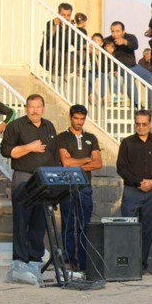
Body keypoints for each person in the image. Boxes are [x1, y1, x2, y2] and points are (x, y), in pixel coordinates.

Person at [0, 94, 59, 284]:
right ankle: (19, 263)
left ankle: (35, 261)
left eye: (38, 107)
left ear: (43, 108)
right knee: (21, 220)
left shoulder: (49, 126)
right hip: (24, 178)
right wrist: (29, 147)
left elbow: (54, 154)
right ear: (26, 108)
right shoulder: (16, 126)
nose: (35, 110)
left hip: (44, 180)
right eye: (31, 107)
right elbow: (6, 151)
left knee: (39, 222)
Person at [116, 110, 152, 274]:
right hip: (133, 191)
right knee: (128, 228)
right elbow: (121, 168)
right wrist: (139, 182)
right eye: (137, 124)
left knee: (147, 229)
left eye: (144, 124)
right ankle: (127, 265)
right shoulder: (127, 143)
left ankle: (141, 265)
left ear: (150, 124)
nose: (141, 127)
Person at [56, 105, 101, 272]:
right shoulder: (62, 137)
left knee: (84, 226)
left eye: (82, 119)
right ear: (70, 117)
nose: (79, 122)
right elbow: (65, 163)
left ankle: (84, 263)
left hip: (85, 187)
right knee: (68, 225)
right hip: (67, 187)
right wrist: (87, 159)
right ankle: (69, 261)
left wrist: (77, 162)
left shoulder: (91, 137)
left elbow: (98, 163)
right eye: (76, 118)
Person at [106, 21, 152, 109]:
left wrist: (125, 42)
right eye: (113, 31)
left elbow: (135, 45)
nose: (115, 34)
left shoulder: (130, 37)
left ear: (123, 31)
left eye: (117, 31)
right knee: (129, 77)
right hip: (120, 68)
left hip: (133, 66)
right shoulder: (108, 40)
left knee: (151, 79)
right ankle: (137, 104)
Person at [39, 3, 74, 75]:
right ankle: (54, 74)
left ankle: (67, 73)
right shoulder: (51, 23)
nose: (65, 18)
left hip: (63, 58)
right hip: (48, 57)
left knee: (80, 53)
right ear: (58, 14)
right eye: (63, 15)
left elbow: (76, 43)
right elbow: (49, 36)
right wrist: (55, 25)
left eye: (68, 15)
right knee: (55, 50)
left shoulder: (71, 28)